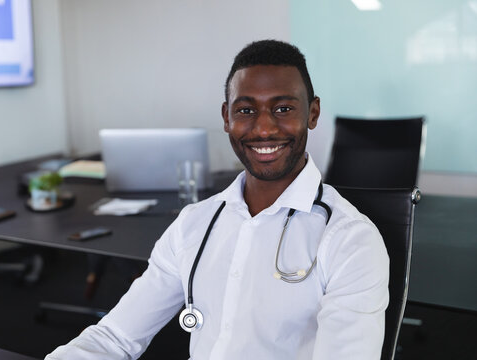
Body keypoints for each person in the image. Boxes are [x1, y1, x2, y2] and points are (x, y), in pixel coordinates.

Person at [46, 39, 389, 360]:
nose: (264, 128)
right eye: (246, 110)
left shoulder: (350, 239)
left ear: (312, 114)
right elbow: (115, 338)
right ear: (226, 117)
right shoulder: (194, 223)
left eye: (283, 108)